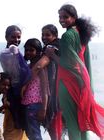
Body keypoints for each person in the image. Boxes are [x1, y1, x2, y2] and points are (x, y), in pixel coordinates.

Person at [45, 4, 104, 140]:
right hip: (82, 83)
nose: (61, 20)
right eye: (60, 17)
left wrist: (52, 54)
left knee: (72, 122)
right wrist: (89, 88)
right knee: (82, 122)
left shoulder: (67, 36)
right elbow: (85, 62)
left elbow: (70, 64)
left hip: (67, 84)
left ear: (74, 17)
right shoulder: (82, 34)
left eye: (65, 17)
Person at [0, 25, 30, 140]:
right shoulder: (6, 53)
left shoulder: (14, 52)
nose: (16, 40)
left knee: (20, 125)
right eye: (13, 37)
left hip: (20, 94)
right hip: (13, 93)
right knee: (13, 124)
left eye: (18, 37)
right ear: (6, 38)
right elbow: (24, 73)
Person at [21, 38, 49, 140]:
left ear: (38, 52)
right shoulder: (28, 66)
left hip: (35, 104)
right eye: (26, 50)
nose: (28, 52)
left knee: (35, 133)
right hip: (26, 104)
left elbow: (45, 90)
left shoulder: (40, 68)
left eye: (31, 50)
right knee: (30, 133)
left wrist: (44, 109)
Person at [41, 24, 60, 140]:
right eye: (42, 35)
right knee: (55, 125)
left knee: (53, 124)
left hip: (53, 90)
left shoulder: (52, 48)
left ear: (55, 36)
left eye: (47, 35)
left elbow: (40, 66)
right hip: (55, 88)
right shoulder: (57, 46)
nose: (44, 37)